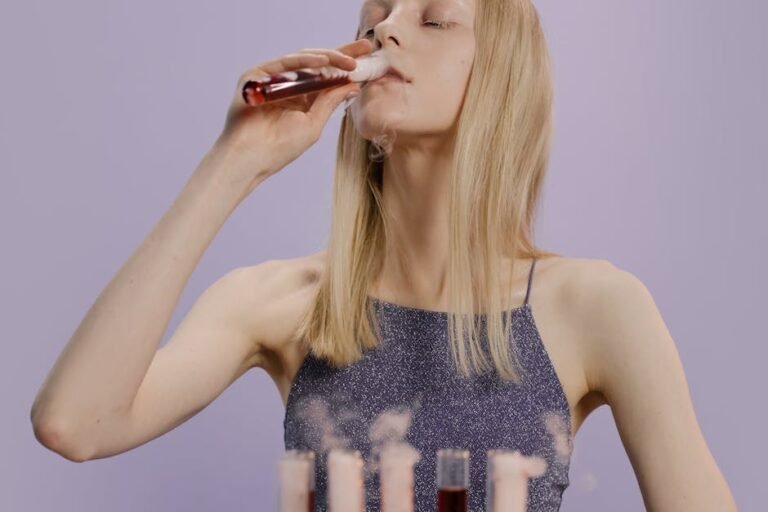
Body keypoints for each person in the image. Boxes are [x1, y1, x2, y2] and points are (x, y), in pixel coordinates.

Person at [31, 0, 736, 510]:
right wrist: (234, 161)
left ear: (502, 72)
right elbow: (74, 424)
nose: (386, 26)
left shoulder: (596, 307)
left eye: (433, 18)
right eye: (377, 13)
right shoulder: (284, 302)